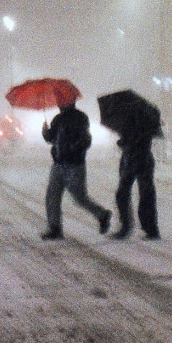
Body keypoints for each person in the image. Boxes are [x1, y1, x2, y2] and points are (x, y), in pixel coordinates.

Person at [41, 101, 111, 240]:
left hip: (74, 165)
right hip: (59, 163)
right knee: (52, 197)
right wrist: (45, 131)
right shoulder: (58, 119)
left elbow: (85, 140)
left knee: (79, 197)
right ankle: (55, 229)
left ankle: (102, 214)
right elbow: (51, 138)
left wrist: (73, 149)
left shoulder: (80, 118)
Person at [113, 127, 160, 240]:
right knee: (146, 194)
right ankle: (151, 228)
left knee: (123, 194)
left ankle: (126, 226)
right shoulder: (147, 120)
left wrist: (121, 142)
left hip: (132, 160)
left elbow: (130, 143)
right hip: (145, 159)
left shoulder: (129, 122)